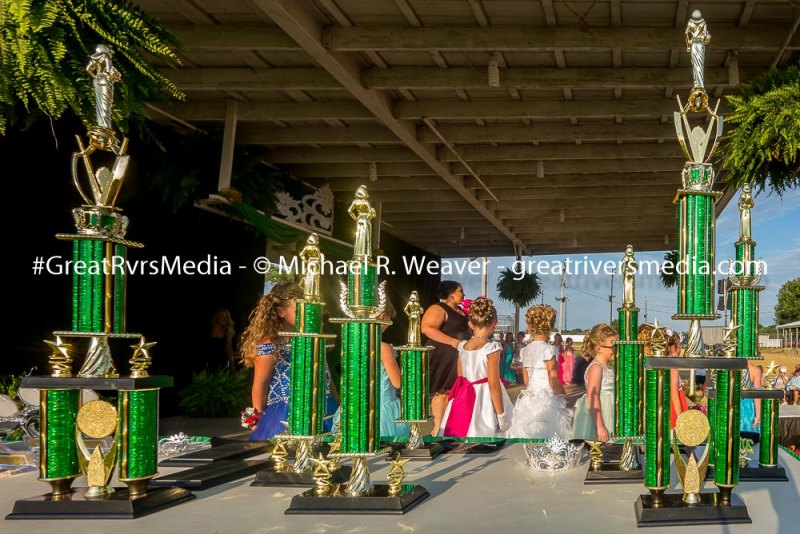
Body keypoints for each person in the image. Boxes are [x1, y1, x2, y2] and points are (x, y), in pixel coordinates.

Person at [439, 298, 513, 438]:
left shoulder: (462, 346)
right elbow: (493, 384)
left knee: (464, 432)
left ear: (470, 324)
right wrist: (501, 414)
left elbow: (460, 378)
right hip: (484, 398)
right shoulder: (491, 348)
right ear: (495, 324)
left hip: (464, 395)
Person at [241, 282, 302, 441]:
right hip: (284, 412)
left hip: (321, 407)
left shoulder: (312, 340)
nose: (305, 315)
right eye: (298, 311)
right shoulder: (270, 345)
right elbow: (260, 385)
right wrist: (256, 421)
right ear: (281, 312)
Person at [507, 305, 571, 439]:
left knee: (528, 434)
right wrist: (562, 394)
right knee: (551, 435)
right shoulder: (549, 349)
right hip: (547, 399)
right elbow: (553, 379)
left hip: (529, 399)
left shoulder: (525, 350)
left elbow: (526, 380)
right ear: (550, 326)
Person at [421, 281, 471, 435]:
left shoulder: (461, 311)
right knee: (443, 392)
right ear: (451, 294)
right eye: (460, 291)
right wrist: (453, 342)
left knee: (454, 393)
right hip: (443, 356)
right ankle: (438, 429)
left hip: (459, 356)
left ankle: (450, 428)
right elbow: (427, 328)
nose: (464, 294)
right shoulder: (438, 308)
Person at [572, 323, 618, 441]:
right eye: (613, 347)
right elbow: (593, 396)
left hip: (611, 411)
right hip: (601, 413)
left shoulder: (608, 367)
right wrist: (600, 426)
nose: (616, 350)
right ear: (599, 348)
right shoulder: (596, 367)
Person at [377, 300, 409, 438]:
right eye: (389, 319)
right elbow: (397, 382)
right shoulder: (384, 348)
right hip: (384, 409)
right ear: (383, 317)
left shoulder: (352, 345)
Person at [740, 362, 763, 435]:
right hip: (749, 408)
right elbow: (757, 395)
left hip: (731, 404)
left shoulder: (727, 367)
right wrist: (758, 416)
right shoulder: (755, 370)